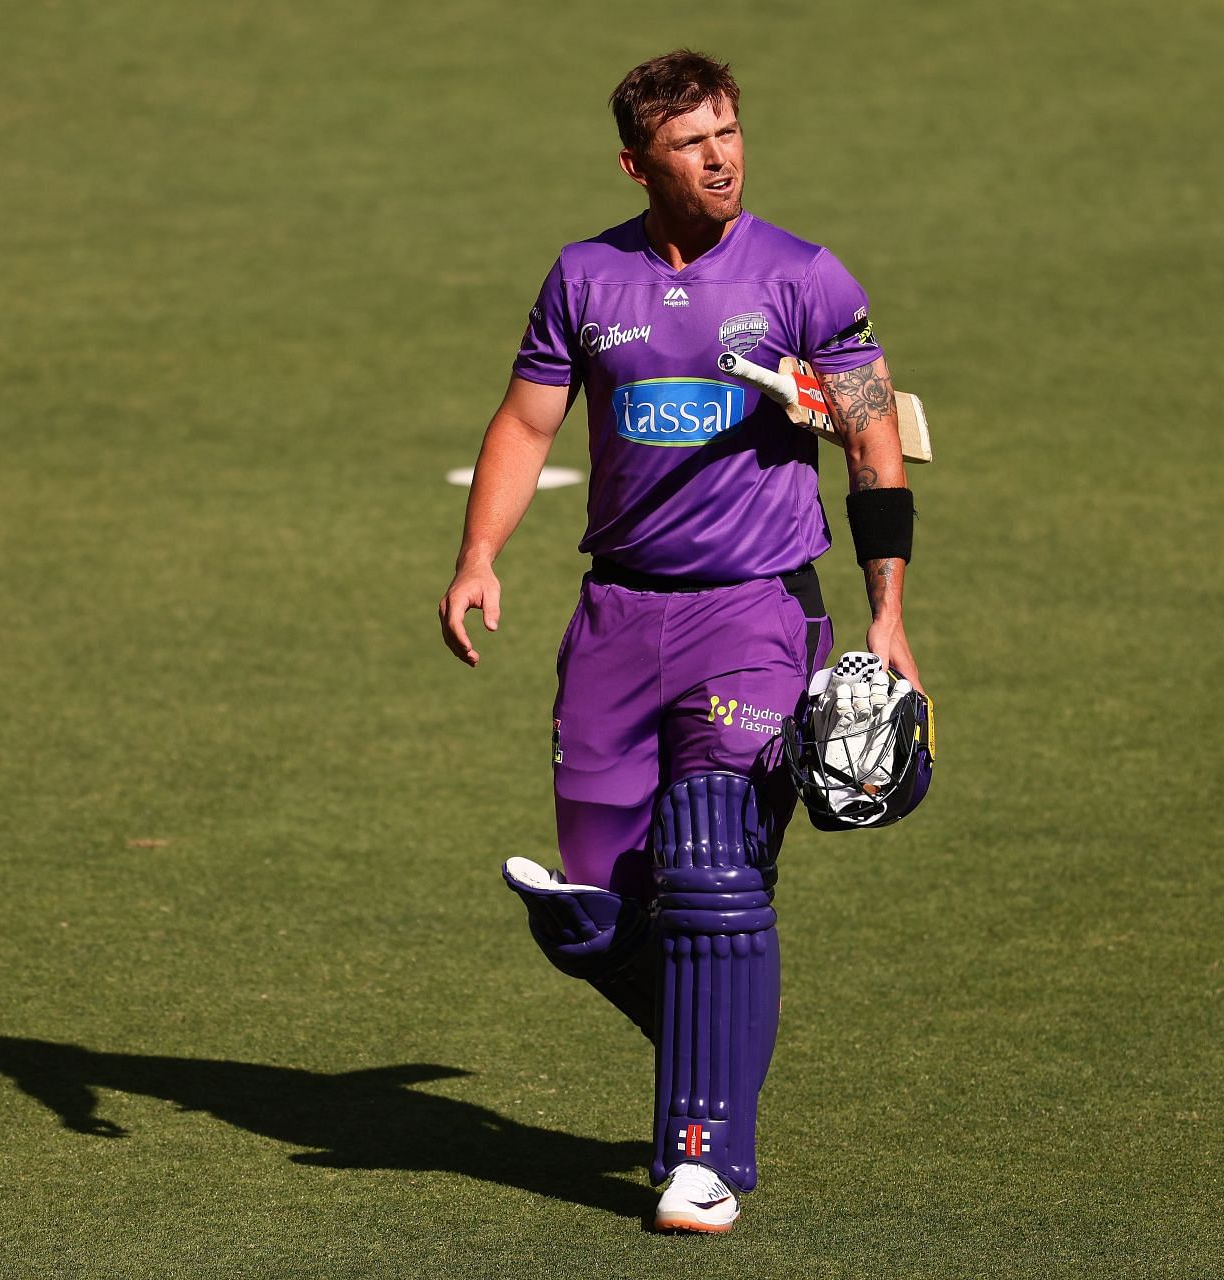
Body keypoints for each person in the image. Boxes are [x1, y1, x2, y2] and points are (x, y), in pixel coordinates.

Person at [438, 49, 925, 1234]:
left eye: (730, 134)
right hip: (614, 619)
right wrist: (477, 556)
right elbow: (521, 422)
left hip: (754, 612)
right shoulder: (583, 276)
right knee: (601, 911)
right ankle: (713, 1009)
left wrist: (888, 617)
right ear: (636, 161)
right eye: (692, 143)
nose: (722, 158)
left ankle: (703, 1158)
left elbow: (873, 446)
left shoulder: (805, 278)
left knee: (714, 870)